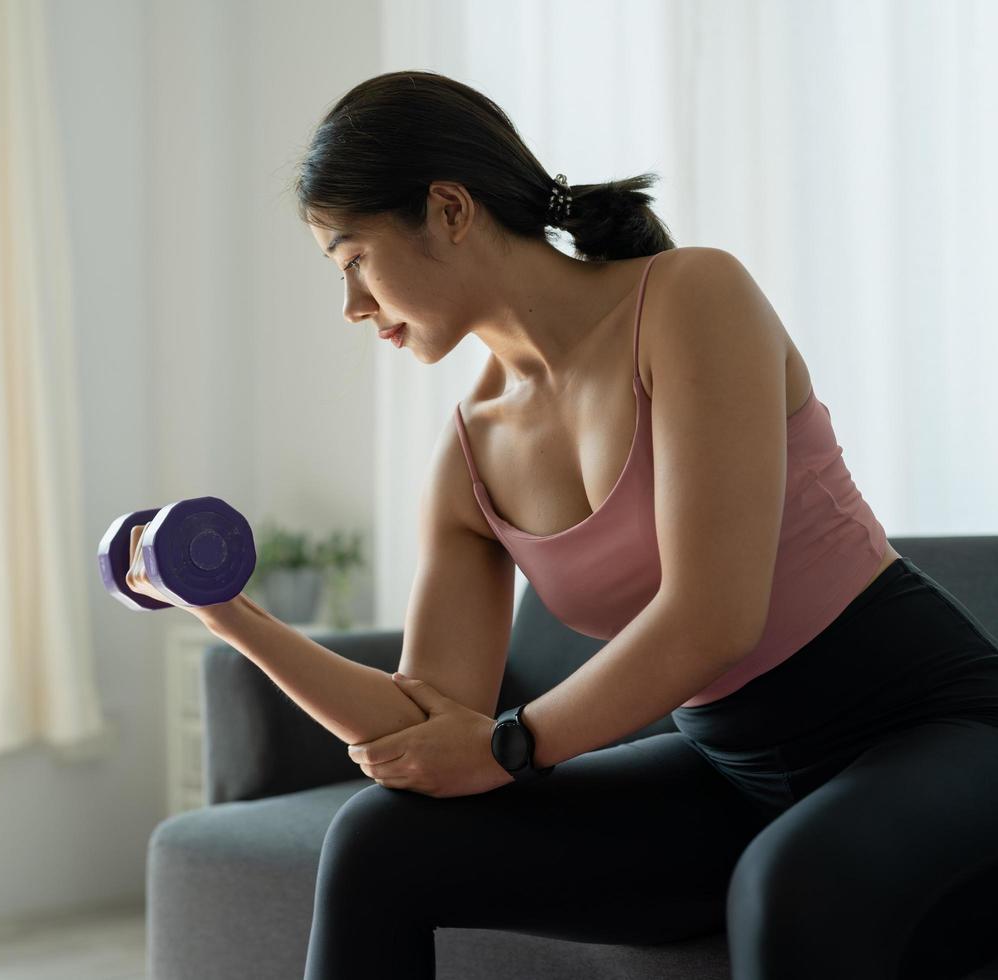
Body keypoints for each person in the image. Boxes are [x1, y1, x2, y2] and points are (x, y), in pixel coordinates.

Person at [291, 69, 998, 980]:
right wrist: (226, 606)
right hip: (733, 771)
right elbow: (427, 726)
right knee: (377, 839)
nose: (351, 305)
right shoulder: (473, 450)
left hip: (933, 730)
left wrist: (512, 745)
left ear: (450, 208)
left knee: (797, 882)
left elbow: (714, 617)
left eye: (352, 258)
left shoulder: (691, 297)